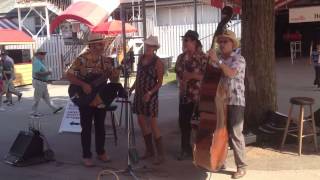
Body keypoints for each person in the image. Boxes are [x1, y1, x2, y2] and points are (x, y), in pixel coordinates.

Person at [66, 33, 126, 167]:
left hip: (100, 98)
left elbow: (113, 80)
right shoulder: (81, 59)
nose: (102, 46)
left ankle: (101, 152)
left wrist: (115, 74)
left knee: (100, 126)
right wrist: (83, 85)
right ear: (92, 46)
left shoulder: (107, 61)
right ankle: (86, 155)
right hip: (85, 97)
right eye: (100, 44)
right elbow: (68, 75)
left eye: (102, 44)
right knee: (86, 127)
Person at [208, 29, 247, 179]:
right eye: (221, 42)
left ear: (232, 43)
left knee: (236, 134)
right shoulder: (220, 61)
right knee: (221, 133)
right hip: (220, 102)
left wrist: (216, 61)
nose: (222, 44)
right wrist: (210, 63)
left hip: (236, 101)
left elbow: (230, 73)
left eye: (226, 41)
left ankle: (241, 166)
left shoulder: (239, 58)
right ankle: (221, 160)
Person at [129, 35, 165, 165]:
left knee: (153, 124)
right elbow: (138, 77)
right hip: (139, 94)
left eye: (151, 46)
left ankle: (160, 154)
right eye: (147, 45)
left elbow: (160, 82)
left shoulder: (158, 62)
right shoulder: (141, 58)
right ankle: (149, 150)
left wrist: (150, 93)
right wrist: (131, 89)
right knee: (141, 122)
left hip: (151, 96)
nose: (148, 48)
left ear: (155, 48)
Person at [175, 30, 207, 160]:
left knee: (199, 125)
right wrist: (181, 82)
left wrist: (193, 76)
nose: (184, 43)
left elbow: (208, 76)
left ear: (194, 41)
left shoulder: (203, 57)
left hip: (199, 96)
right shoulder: (181, 57)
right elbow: (177, 73)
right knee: (183, 123)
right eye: (183, 40)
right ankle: (185, 149)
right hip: (185, 95)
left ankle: (201, 150)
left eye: (186, 40)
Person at [31, 48, 63, 117]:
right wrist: (48, 72)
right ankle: (33, 112)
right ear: (38, 54)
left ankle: (55, 108)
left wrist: (47, 72)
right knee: (37, 98)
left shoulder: (39, 61)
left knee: (47, 97)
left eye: (44, 54)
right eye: (42, 53)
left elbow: (40, 72)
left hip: (42, 82)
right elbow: (37, 73)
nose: (44, 55)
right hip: (39, 82)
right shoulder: (37, 62)